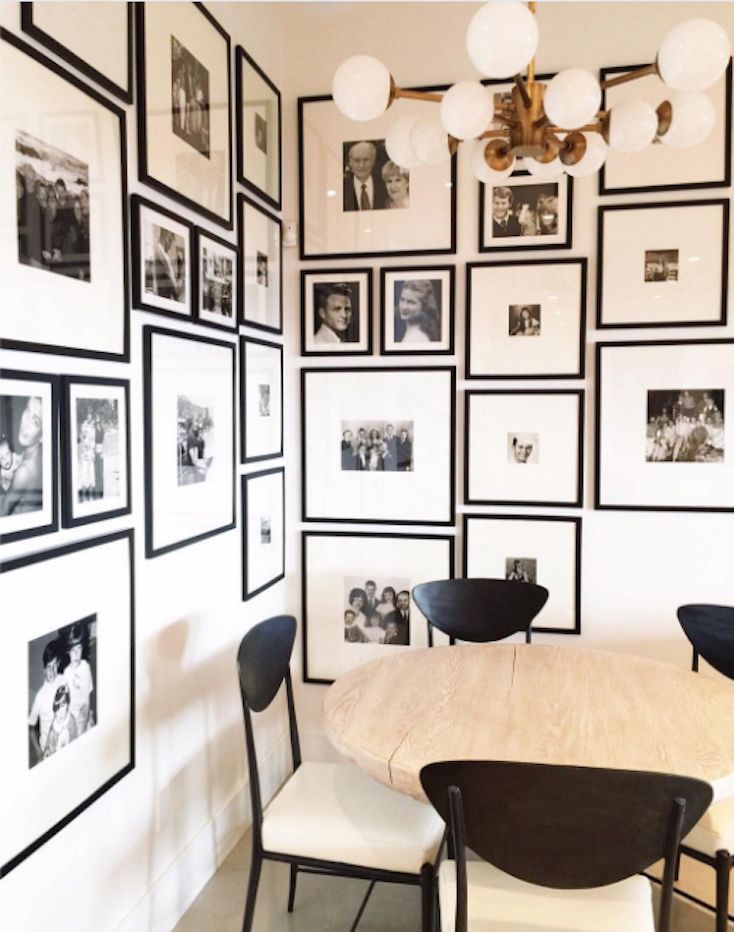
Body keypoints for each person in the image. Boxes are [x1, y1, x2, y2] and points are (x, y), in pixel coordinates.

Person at [0, 396, 43, 516]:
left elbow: (2, 511)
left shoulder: (24, 471)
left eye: (35, 421)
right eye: (28, 410)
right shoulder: (39, 452)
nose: (25, 423)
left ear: (43, 434)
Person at [28, 640, 65, 764]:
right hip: (47, 749)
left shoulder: (62, 680)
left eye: (55, 665)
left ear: (59, 663)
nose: (53, 671)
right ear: (44, 669)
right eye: (49, 667)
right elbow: (31, 728)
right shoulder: (40, 697)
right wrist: (38, 751)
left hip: (62, 740)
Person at [62, 623, 94, 736]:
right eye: (72, 650)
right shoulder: (66, 672)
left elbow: (89, 695)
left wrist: (87, 716)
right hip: (71, 714)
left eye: (79, 648)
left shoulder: (85, 667)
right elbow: (66, 696)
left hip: (84, 711)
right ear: (68, 652)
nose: (76, 654)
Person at [343, 141, 388, 211]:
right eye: (357, 160)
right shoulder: (342, 187)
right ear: (350, 162)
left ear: (373, 161)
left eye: (366, 160)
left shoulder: (385, 186)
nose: (361, 165)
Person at [45, 683, 78, 757]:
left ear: (68, 705)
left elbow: (76, 741)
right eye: (57, 706)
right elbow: (48, 745)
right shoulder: (53, 726)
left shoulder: (71, 721)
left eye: (62, 705)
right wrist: (47, 750)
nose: (59, 710)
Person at [79, 408, 96, 501]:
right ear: (87, 416)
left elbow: (94, 437)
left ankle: (91, 485)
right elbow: (82, 436)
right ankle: (84, 485)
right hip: (85, 449)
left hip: (91, 449)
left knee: (91, 468)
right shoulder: (84, 425)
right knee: (85, 468)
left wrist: (92, 447)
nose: (89, 416)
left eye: (91, 415)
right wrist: (84, 443)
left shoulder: (93, 425)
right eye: (88, 414)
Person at [94, 414, 105, 498]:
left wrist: (103, 451)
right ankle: (97, 489)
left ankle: (101, 489)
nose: (98, 423)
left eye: (99, 422)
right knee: (97, 470)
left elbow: (104, 441)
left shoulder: (102, 430)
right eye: (97, 422)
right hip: (95, 450)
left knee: (101, 470)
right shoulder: (95, 431)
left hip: (101, 450)